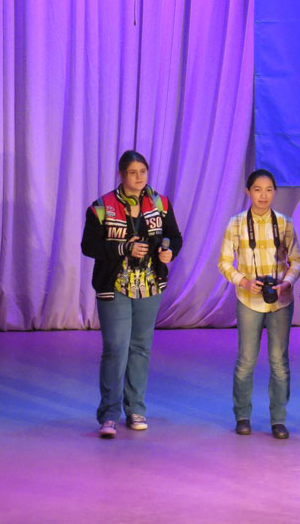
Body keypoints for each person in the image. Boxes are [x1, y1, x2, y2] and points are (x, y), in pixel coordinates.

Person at [81, 150, 183, 438]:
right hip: (114, 285)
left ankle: (136, 408)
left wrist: (169, 252)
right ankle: (109, 414)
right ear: (121, 175)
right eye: (132, 173)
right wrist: (123, 248)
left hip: (150, 285)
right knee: (116, 347)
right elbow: (88, 246)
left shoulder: (160, 203)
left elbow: (175, 237)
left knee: (140, 347)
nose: (139, 177)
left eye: (143, 172)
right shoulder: (102, 207)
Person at [217, 169, 300, 439]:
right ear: (248, 192)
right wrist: (243, 281)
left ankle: (279, 419)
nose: (263, 195)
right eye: (257, 189)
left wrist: (286, 282)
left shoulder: (285, 223)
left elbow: (297, 261)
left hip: (280, 300)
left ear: (275, 191)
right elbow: (224, 263)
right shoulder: (236, 223)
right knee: (246, 361)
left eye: (268, 190)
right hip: (248, 300)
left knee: (279, 362)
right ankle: (242, 416)